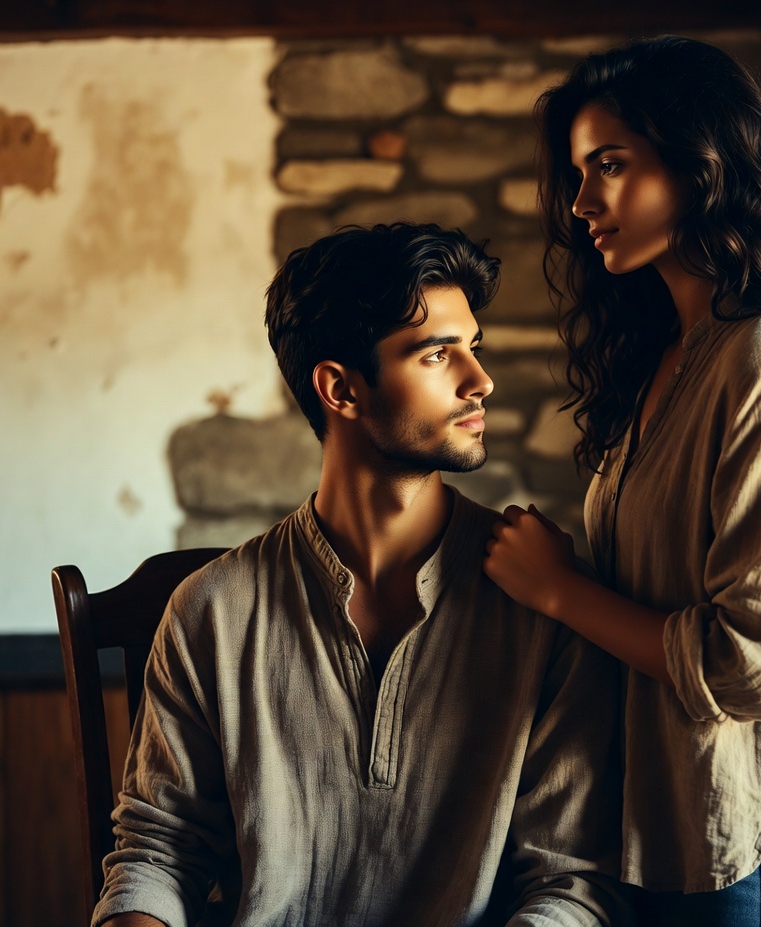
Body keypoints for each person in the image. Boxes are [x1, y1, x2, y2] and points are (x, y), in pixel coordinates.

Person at [94, 222, 630, 927]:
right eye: (438, 354)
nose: (481, 379)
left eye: (474, 346)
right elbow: (157, 855)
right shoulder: (211, 611)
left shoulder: (544, 602)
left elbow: (570, 884)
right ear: (340, 388)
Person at [483, 36, 761, 927]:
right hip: (651, 835)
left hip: (746, 856)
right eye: (580, 173)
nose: (583, 201)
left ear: (703, 163)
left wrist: (557, 591)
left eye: (611, 165)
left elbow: (756, 665)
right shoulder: (668, 358)